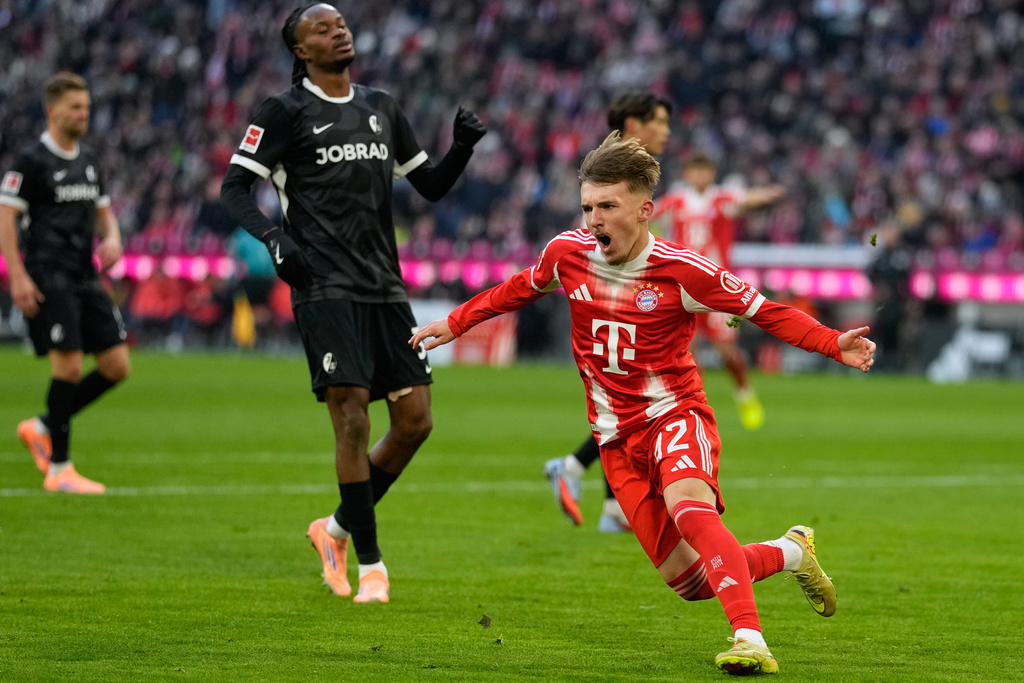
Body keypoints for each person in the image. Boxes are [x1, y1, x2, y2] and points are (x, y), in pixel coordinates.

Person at [411, 133, 874, 674]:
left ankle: (750, 639)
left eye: (607, 206)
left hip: (675, 416)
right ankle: (793, 551)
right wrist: (454, 322)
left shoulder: (684, 270)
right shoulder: (567, 254)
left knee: (691, 510)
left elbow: (764, 310)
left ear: (645, 209)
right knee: (692, 583)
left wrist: (829, 341)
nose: (594, 218)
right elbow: (516, 287)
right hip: (614, 438)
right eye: (587, 206)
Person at [219, 3, 486, 604]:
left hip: (385, 285)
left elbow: (431, 186)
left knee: (416, 421)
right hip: (323, 284)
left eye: (340, 23)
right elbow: (233, 188)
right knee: (354, 418)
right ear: (300, 50)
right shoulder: (283, 112)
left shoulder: (381, 106)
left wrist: (461, 147)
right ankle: (371, 565)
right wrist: (276, 239)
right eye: (322, 27)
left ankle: (334, 527)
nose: (338, 29)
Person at [543, 91, 672, 533]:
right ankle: (578, 472)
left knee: (629, 397)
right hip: (611, 292)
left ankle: (610, 503)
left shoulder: (622, 168)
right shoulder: (616, 174)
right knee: (638, 395)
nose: (666, 131)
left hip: (618, 289)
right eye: (659, 122)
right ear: (635, 124)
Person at [0, 72, 130, 494]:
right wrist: (17, 275)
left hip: (84, 274)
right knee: (69, 367)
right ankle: (59, 468)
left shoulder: (90, 161)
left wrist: (111, 238)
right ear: (52, 110)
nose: (83, 114)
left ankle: (41, 426)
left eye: (87, 108)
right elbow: (6, 217)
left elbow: (104, 212)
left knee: (116, 366)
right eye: (76, 107)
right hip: (47, 275)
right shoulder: (31, 161)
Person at [654, 153, 785, 430]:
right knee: (688, 350)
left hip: (718, 289)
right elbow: (648, 214)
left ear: (711, 174)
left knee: (727, 351)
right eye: (694, 171)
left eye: (704, 171)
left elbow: (746, 200)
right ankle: (694, 405)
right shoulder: (676, 201)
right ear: (687, 174)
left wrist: (769, 194)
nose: (700, 176)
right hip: (684, 288)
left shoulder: (721, 199)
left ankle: (744, 393)